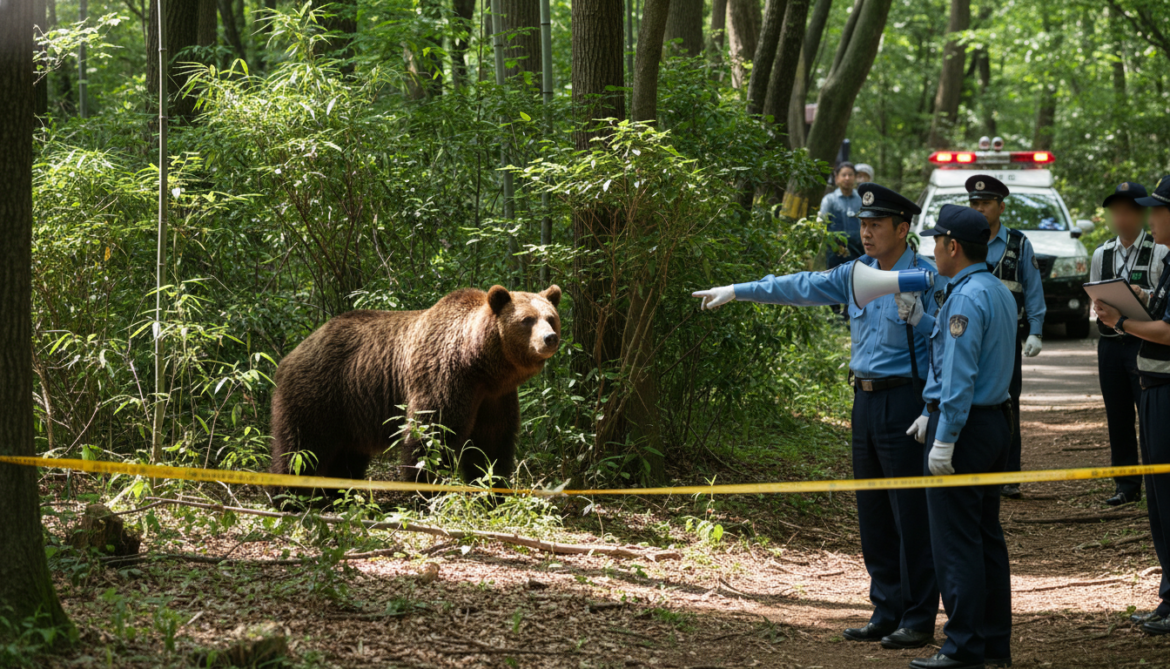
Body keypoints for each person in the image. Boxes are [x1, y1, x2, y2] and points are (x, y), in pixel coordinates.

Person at [694, 183, 946, 651]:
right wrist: (738, 291)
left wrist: (933, 406)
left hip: (905, 401)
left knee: (910, 514)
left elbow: (945, 346)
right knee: (873, 512)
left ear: (902, 229)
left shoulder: (929, 278)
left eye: (875, 225)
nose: (865, 233)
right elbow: (801, 285)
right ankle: (885, 609)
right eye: (863, 224)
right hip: (864, 401)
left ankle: (917, 617)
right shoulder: (855, 273)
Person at [907, 204, 1016, 669]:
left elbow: (959, 375)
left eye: (936, 242)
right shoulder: (994, 289)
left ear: (953, 246)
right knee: (985, 535)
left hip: (966, 428)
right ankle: (992, 643)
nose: (933, 250)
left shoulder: (965, 298)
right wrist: (923, 321)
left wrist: (944, 434)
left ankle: (963, 646)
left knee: (956, 541)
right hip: (994, 423)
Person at [1093, 175, 1170, 636]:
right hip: (1148, 376)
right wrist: (1135, 305)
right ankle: (1167, 597)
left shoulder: (1162, 256)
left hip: (1162, 380)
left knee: (1167, 494)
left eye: (1155, 209)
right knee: (1158, 501)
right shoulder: (1107, 253)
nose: (1148, 217)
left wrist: (1125, 319)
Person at [966, 174, 1045, 499]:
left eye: (985, 203)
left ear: (1000, 206)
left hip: (1005, 340)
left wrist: (1036, 330)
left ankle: (1009, 474)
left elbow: (1033, 289)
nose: (978, 208)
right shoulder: (962, 239)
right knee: (969, 399)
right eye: (974, 203)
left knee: (1008, 403)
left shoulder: (1018, 244)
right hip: (967, 336)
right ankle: (974, 469)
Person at [1091, 182, 1167, 506]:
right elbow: (1094, 294)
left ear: (1142, 214)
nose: (1122, 218)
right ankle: (1126, 485)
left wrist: (1143, 296)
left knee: (1148, 414)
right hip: (1110, 344)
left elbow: (1163, 301)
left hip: (1142, 343)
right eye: (1116, 212)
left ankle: (1155, 483)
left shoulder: (1159, 250)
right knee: (1117, 415)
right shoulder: (1102, 253)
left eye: (1128, 211)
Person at [820, 162, 863, 269]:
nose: (847, 178)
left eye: (850, 175)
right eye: (844, 175)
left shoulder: (861, 200)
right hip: (835, 252)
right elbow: (822, 225)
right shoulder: (829, 200)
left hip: (859, 251)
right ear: (837, 178)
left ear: (855, 177)